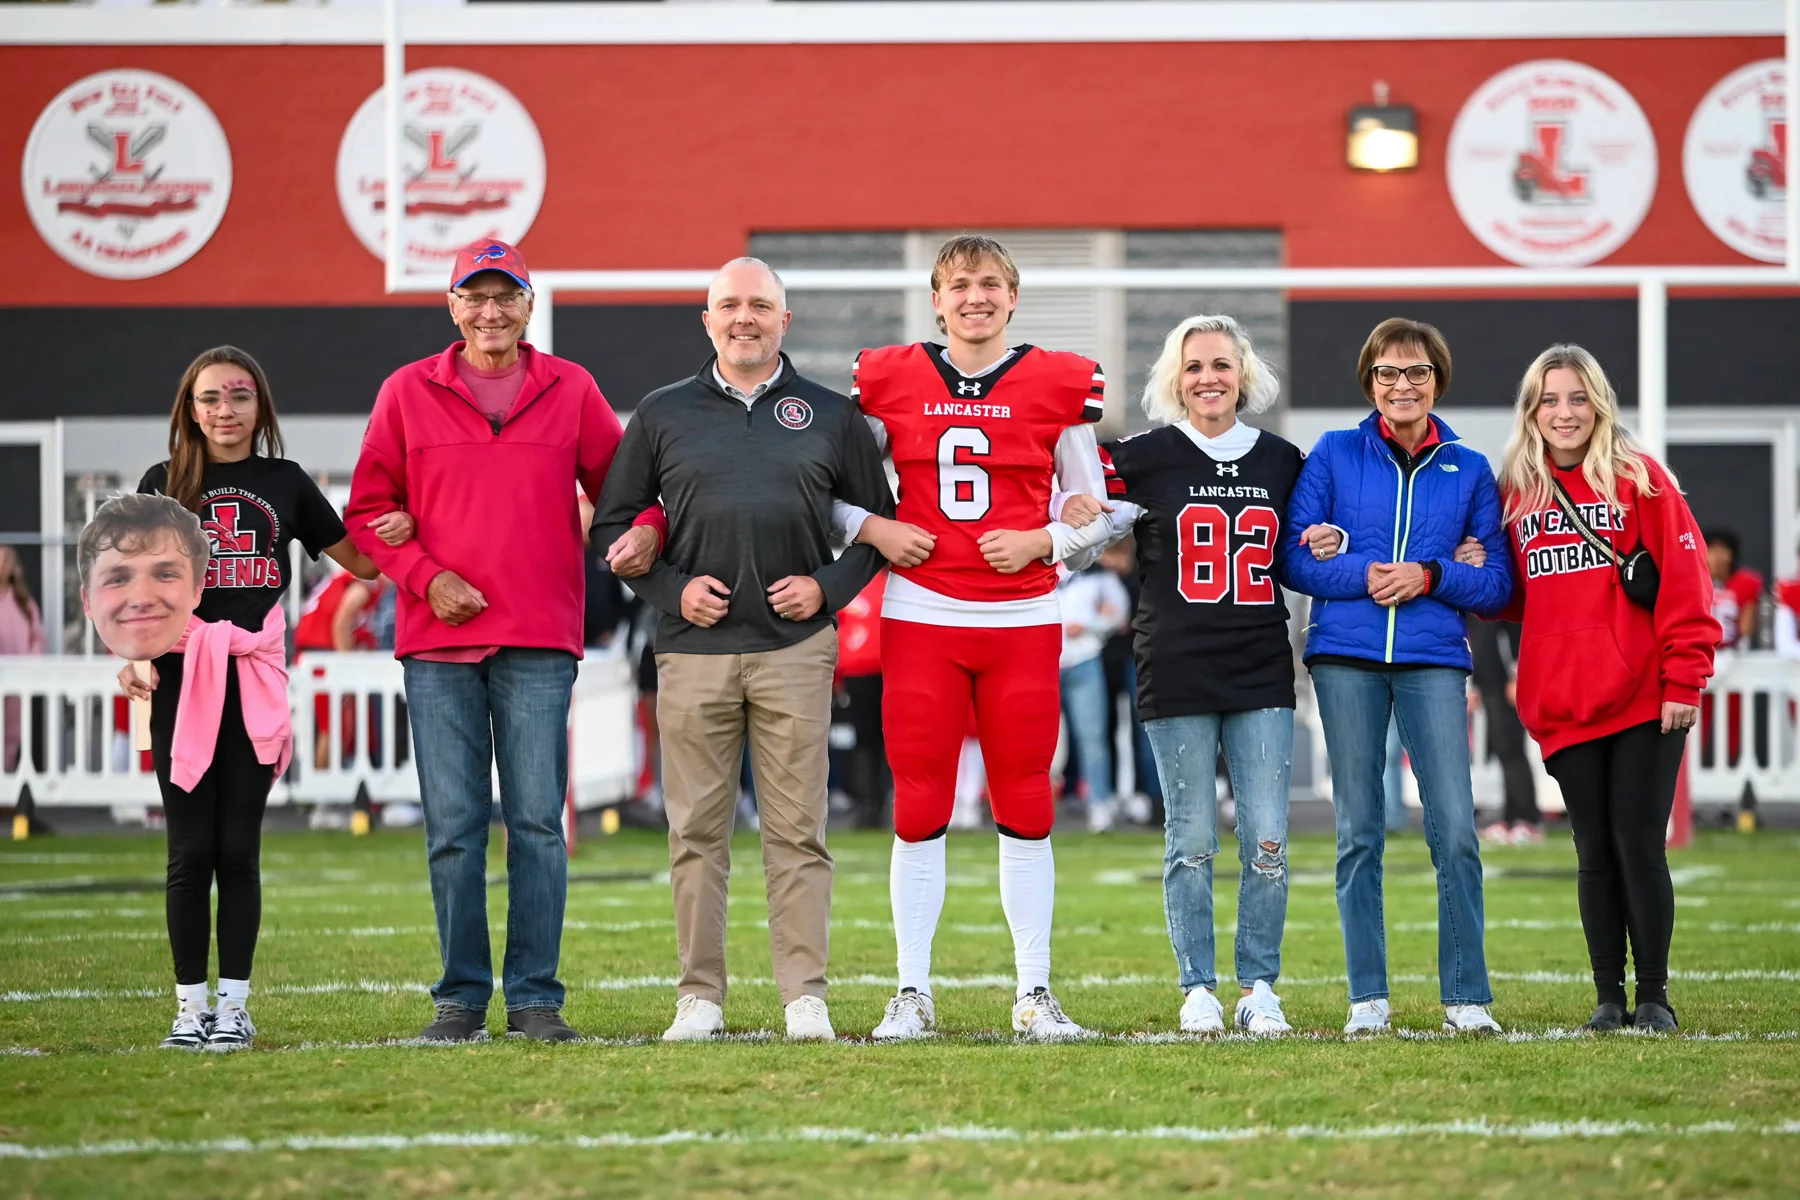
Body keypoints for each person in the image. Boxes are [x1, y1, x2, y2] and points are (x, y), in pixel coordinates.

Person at [347, 240, 666, 1044]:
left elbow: (626, 491)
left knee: (536, 826)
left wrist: (648, 533)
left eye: (506, 296)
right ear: (452, 306)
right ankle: (459, 998)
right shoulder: (405, 392)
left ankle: (534, 999)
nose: (491, 312)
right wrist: (425, 577)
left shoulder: (572, 388)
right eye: (474, 297)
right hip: (436, 642)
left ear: (528, 305)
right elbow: (364, 513)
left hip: (537, 640)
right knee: (452, 829)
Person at [593, 257, 892, 1043]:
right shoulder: (661, 413)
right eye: (730, 305)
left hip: (797, 648)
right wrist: (668, 589)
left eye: (760, 305)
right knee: (697, 834)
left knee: (798, 831)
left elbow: (877, 526)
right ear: (707, 319)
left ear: (784, 321)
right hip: (691, 652)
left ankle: (805, 996)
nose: (744, 318)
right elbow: (611, 528)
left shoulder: (831, 414)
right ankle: (700, 996)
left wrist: (828, 590)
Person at [841, 234, 1117, 1041]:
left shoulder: (1059, 381)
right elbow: (833, 490)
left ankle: (1034, 991)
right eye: (959, 284)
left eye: (990, 283)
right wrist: (875, 528)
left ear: (1013, 295)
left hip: (1023, 614)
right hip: (923, 610)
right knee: (918, 802)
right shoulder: (888, 377)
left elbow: (1092, 508)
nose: (975, 297)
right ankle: (911, 992)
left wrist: (1047, 542)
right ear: (935, 298)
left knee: (1026, 799)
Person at [123, 346, 413, 1051]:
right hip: (180, 680)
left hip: (253, 681)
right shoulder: (162, 484)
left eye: (239, 396)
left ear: (261, 407)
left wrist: (402, 521)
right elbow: (131, 588)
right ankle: (189, 1008)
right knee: (189, 852)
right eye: (210, 398)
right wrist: (130, 659)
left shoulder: (285, 482)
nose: (225, 410)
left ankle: (235, 1008)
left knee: (238, 850)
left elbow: (363, 563)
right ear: (189, 410)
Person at [1091, 314, 1340, 1036]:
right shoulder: (1143, 455)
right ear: (1176, 376)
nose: (1209, 378)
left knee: (1266, 841)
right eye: (1195, 365)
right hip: (1174, 663)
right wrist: (1070, 518)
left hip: (1259, 665)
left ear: (1244, 372)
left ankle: (1259, 985)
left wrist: (1331, 539)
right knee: (1190, 839)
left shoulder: (1281, 459)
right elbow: (1075, 498)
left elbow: (1305, 543)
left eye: (1222, 365)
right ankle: (1197, 985)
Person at [1278, 317, 1512, 1037]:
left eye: (1415, 372)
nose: (1401, 385)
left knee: (1456, 831)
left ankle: (1466, 997)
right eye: (1387, 373)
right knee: (1359, 832)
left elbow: (1497, 584)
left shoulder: (1469, 469)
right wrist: (1369, 573)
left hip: (1435, 660)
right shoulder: (1333, 452)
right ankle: (1368, 999)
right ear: (1369, 381)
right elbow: (1293, 558)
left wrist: (1432, 574)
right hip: (1344, 658)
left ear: (1437, 380)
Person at [1497, 344, 1717, 1033]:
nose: (1565, 413)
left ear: (1599, 404)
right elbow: (1513, 595)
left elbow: (1687, 586)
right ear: (1531, 411)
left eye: (1577, 398)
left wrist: (1685, 676)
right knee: (1592, 853)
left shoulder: (1642, 479)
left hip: (1645, 697)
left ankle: (1653, 995)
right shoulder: (1515, 491)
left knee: (1637, 843)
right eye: (1550, 400)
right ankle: (1607, 999)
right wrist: (1464, 567)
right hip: (1563, 703)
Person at [1057, 564, 1129, 832]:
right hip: (1042, 660)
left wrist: (1089, 624)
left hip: (1084, 660)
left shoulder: (1098, 572)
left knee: (1092, 736)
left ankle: (1099, 802)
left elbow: (1120, 612)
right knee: (1033, 739)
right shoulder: (1038, 561)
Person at [1470, 616, 1543, 845]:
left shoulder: (1496, 596)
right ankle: (1510, 817)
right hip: (1490, 684)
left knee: (1512, 749)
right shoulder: (1471, 604)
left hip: (1506, 683)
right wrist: (1476, 685)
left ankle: (1527, 817)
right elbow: (1479, 645)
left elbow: (1514, 634)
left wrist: (1516, 675)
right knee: (1502, 750)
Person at [834, 570, 891, 831]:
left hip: (888, 672)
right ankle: (866, 800)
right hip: (859, 673)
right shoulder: (854, 588)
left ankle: (878, 800)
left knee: (882, 740)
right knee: (865, 739)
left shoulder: (891, 586)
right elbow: (838, 630)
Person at [0, 546, 44, 775]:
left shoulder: (23, 602)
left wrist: (30, 663)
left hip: (18, 681)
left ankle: (5, 778)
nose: (2, 565)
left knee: (13, 731)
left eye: (6, 560)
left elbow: (37, 638)